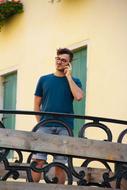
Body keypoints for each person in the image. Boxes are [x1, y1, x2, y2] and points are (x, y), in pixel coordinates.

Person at [32, 48, 83, 184]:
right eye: (58, 59)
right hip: (44, 126)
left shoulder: (74, 81)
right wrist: (40, 123)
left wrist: (69, 77)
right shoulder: (44, 79)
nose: (59, 62)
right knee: (38, 160)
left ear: (69, 64)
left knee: (60, 163)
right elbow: (36, 104)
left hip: (64, 127)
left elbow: (78, 96)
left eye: (64, 60)